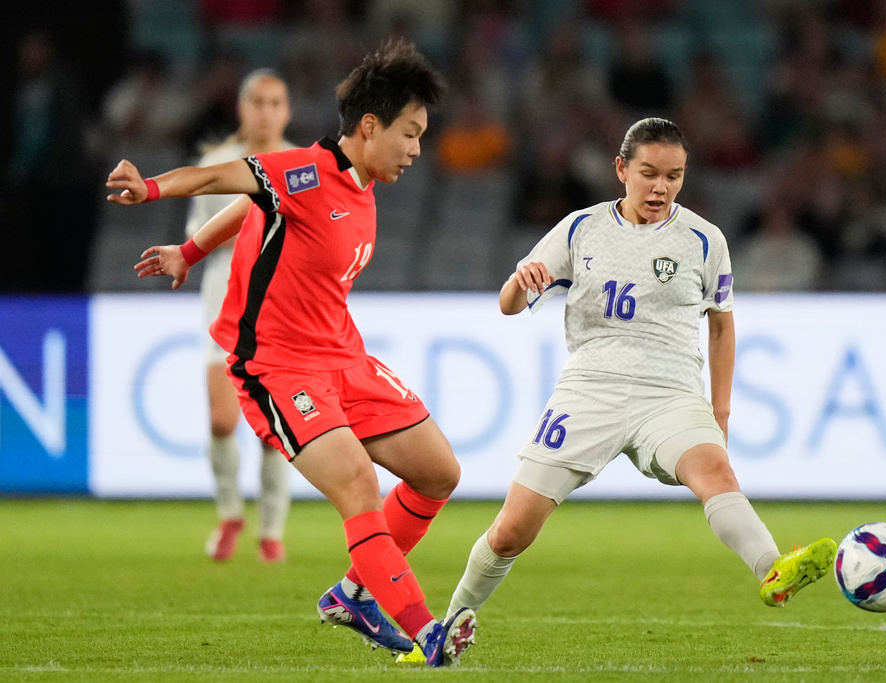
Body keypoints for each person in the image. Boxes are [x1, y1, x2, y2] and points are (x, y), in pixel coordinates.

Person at [105, 38, 475, 667]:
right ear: (368, 125)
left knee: (440, 472)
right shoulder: (305, 171)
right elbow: (228, 178)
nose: (417, 149)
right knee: (359, 484)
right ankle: (425, 631)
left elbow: (253, 210)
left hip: (344, 357)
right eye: (409, 134)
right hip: (278, 367)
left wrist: (189, 254)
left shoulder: (359, 185)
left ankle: (355, 595)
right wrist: (155, 191)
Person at [445, 118, 837, 639]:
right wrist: (521, 281)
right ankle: (448, 624)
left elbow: (722, 326)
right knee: (511, 533)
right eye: (649, 173)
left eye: (674, 176)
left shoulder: (704, 239)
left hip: (670, 393)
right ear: (621, 169)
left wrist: (719, 411)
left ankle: (772, 568)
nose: (661, 187)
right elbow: (509, 304)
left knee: (716, 473)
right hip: (590, 390)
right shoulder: (580, 229)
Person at [185, 69, 294, 563]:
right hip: (223, 309)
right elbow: (201, 237)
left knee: (274, 431)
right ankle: (230, 513)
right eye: (257, 101)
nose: (266, 111)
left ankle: (270, 531)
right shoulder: (216, 164)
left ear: (286, 111)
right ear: (242, 108)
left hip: (279, 312)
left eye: (275, 102)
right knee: (222, 421)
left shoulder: (300, 164)